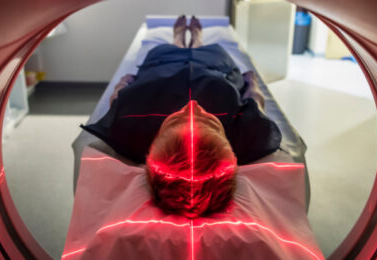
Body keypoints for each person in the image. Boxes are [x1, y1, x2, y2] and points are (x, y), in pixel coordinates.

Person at [82, 16, 281, 218]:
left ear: (153, 144)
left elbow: (117, 99)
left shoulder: (129, 128)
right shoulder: (247, 137)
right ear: (229, 149)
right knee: (212, 52)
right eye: (210, 123)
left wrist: (122, 85)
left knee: (162, 53)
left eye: (175, 121)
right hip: (213, 71)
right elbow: (255, 101)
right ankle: (197, 39)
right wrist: (252, 83)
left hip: (160, 72)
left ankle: (178, 38)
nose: (192, 106)